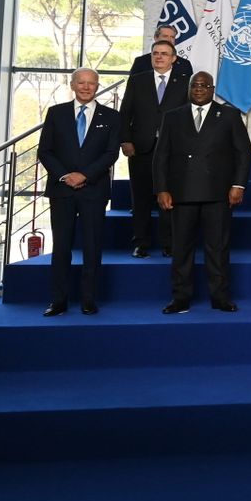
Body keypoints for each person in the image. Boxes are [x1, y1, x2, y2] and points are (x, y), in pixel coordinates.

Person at [154, 72, 251, 314]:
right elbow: (161, 156)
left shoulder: (228, 115)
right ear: (189, 88)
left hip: (218, 193)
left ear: (212, 89)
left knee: (217, 248)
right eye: (194, 85)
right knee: (181, 249)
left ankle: (220, 297)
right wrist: (162, 188)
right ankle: (180, 298)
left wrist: (238, 185)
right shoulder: (173, 116)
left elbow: (243, 153)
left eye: (204, 85)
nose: (198, 89)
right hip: (182, 192)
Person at [37, 68, 121, 316]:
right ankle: (58, 301)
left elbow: (111, 153)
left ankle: (88, 300)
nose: (86, 87)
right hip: (61, 189)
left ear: (97, 86)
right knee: (61, 247)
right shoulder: (56, 113)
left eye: (91, 83)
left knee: (92, 247)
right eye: (81, 83)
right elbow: (45, 151)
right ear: (72, 85)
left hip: (93, 190)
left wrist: (85, 175)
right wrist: (66, 176)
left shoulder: (112, 116)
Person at [118, 38, 187, 257]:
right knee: (140, 199)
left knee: (170, 197)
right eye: (155, 53)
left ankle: (169, 244)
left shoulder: (184, 82)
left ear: (173, 59)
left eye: (164, 54)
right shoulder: (138, 80)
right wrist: (125, 140)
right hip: (140, 148)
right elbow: (125, 112)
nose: (159, 57)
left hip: (173, 150)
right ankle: (141, 243)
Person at [126, 23, 194, 83]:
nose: (169, 40)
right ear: (156, 38)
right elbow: (133, 86)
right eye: (165, 36)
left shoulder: (184, 64)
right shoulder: (141, 62)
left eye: (172, 37)